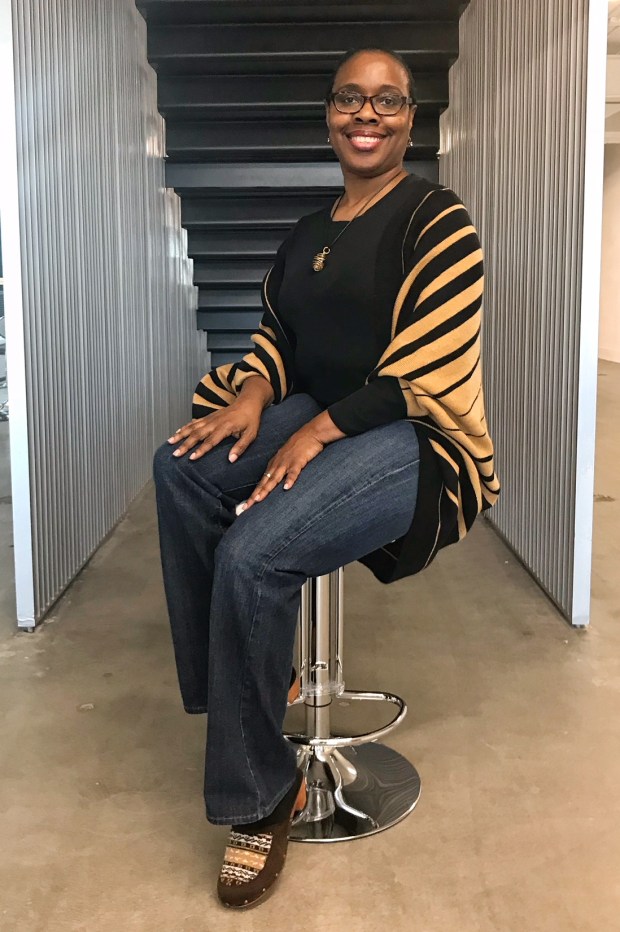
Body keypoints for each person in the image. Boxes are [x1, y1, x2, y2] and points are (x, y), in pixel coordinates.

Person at [153, 46, 500, 910]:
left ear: (411, 121)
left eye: (387, 101)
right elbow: (279, 336)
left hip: (416, 439)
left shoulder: (438, 220)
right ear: (330, 115)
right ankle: (249, 687)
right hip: (318, 408)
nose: (366, 114)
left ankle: (259, 800)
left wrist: (313, 432)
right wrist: (255, 395)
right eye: (350, 98)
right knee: (182, 467)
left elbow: (426, 365)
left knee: (253, 552)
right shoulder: (309, 232)